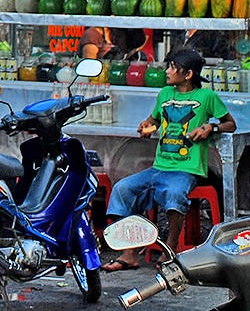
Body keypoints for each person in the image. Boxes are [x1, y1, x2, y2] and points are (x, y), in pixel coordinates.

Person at [101, 48, 236, 270]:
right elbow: (152, 119)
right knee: (122, 189)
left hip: (187, 169)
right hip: (159, 167)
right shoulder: (164, 94)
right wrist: (146, 126)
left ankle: (170, 248)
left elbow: (230, 123)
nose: (168, 71)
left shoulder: (207, 97)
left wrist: (210, 127)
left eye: (173, 67)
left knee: (174, 194)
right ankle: (129, 253)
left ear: (188, 74)